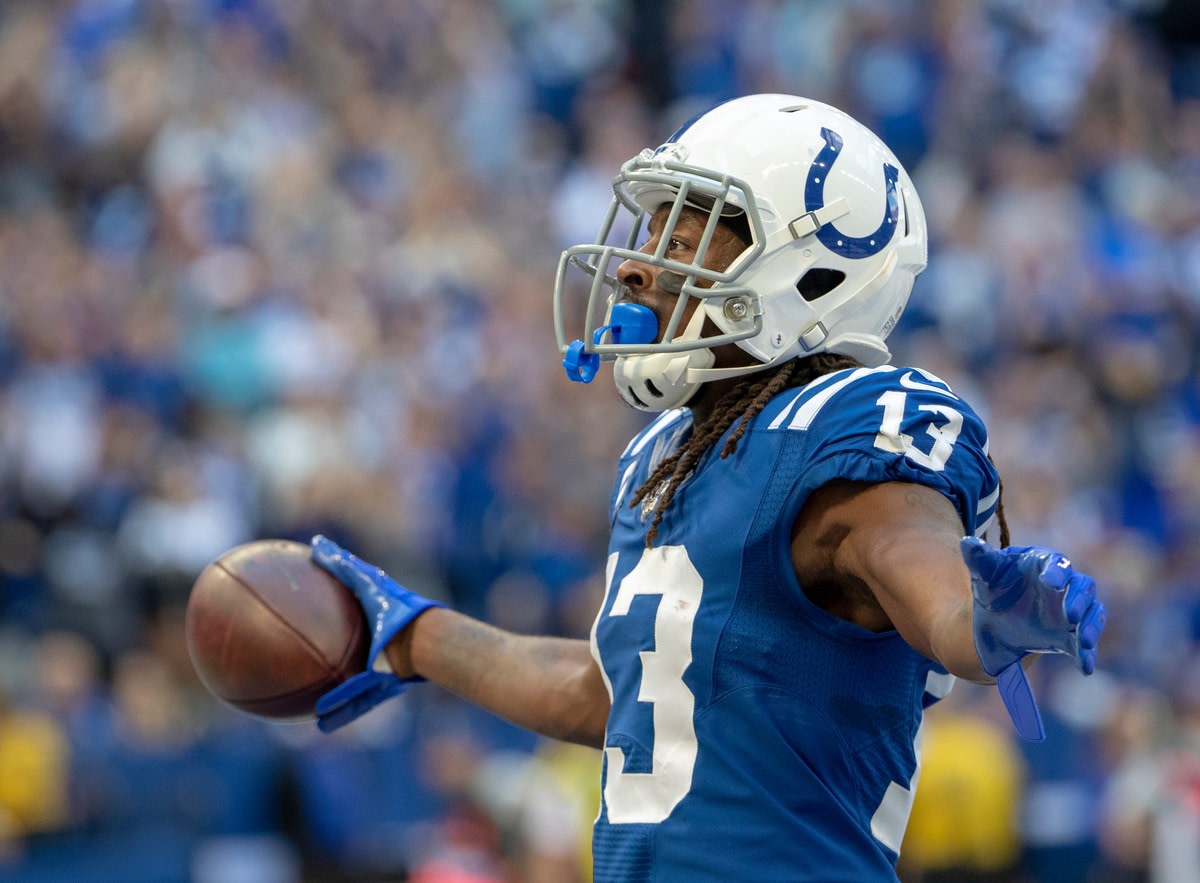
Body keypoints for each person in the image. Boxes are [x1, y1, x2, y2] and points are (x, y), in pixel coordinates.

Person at [308, 94, 1107, 881]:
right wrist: (414, 636)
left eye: (681, 233)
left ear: (813, 272)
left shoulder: (848, 426)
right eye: (651, 230)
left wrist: (981, 620)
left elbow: (917, 562)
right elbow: (617, 695)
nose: (634, 262)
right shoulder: (667, 454)